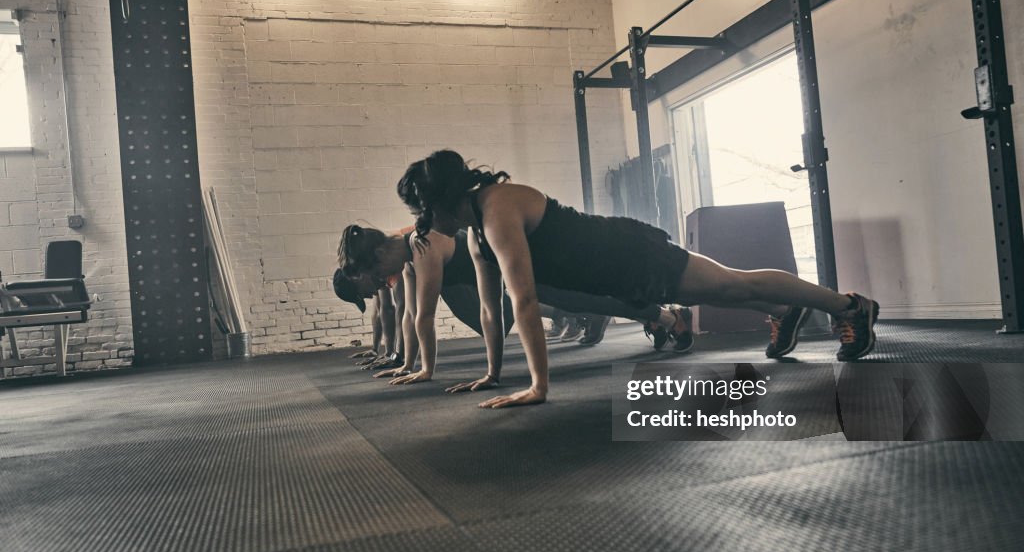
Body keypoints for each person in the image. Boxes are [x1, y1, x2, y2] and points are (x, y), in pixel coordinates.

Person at [396, 149, 880, 409]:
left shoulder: (498, 209)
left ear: (439, 201)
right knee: (732, 288)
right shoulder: (476, 233)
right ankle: (787, 311)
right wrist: (493, 375)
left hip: (629, 254)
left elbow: (523, 301)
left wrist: (539, 386)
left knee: (737, 284)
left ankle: (850, 306)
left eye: (421, 211)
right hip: (614, 274)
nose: (422, 223)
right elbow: (489, 308)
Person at [335, 224, 692, 391]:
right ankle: (660, 316)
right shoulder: (408, 259)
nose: (381, 283)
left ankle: (670, 317)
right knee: (577, 300)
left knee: (585, 297)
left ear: (381, 254)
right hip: (495, 272)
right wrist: (409, 365)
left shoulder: (421, 244)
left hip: (520, 257)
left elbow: (424, 315)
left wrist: (425, 371)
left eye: (376, 274)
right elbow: (411, 314)